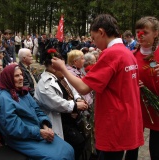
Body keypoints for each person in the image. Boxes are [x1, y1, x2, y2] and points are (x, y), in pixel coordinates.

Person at [51, 14, 144, 160]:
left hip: (114, 122)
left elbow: (83, 87)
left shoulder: (111, 54)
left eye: (94, 38)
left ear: (101, 32)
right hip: (127, 118)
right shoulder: (127, 52)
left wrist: (63, 68)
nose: (93, 43)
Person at [0, 64, 74, 160]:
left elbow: (38, 110)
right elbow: (13, 127)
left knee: (68, 149)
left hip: (38, 132)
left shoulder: (23, 92)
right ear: (8, 78)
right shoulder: (3, 98)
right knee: (56, 157)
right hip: (21, 138)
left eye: (21, 75)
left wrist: (45, 126)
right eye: (16, 76)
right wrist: (39, 132)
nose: (21, 78)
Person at [34, 49, 89, 159]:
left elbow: (72, 89)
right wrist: (75, 105)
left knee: (81, 141)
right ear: (52, 66)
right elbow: (55, 103)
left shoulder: (61, 76)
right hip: (60, 121)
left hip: (71, 117)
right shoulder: (45, 83)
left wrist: (78, 99)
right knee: (77, 143)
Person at [133, 16, 159, 160]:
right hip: (137, 107)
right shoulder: (131, 56)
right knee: (132, 147)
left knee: (156, 149)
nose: (140, 35)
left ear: (156, 33)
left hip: (156, 108)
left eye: (145, 32)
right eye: (137, 32)